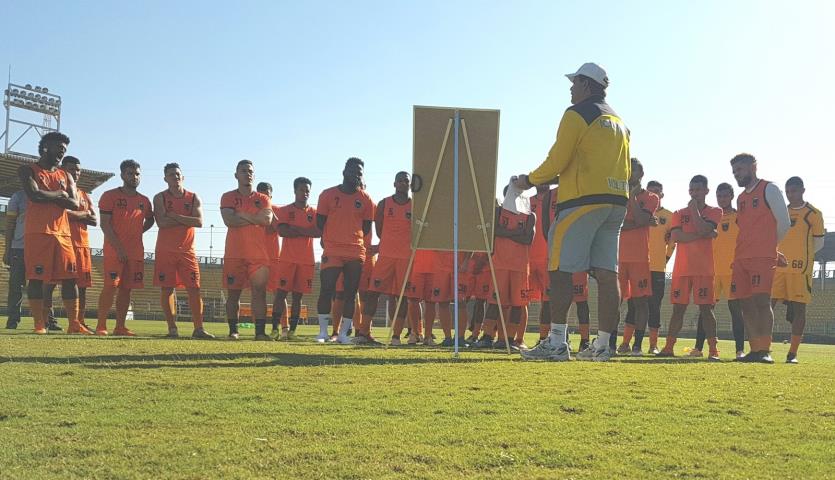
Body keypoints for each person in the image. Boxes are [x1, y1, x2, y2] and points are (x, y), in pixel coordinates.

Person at [518, 62, 630, 362]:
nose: (570, 88)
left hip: (581, 202)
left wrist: (529, 180)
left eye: (575, 82)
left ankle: (557, 342)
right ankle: (603, 345)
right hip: (616, 203)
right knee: (607, 274)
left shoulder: (576, 113)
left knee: (560, 270)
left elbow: (557, 159)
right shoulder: (618, 120)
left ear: (586, 85)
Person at [729, 153, 790, 364]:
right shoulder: (740, 198)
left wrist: (771, 247)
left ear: (753, 167)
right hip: (741, 257)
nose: (737, 174)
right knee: (745, 304)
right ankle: (754, 349)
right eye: (734, 171)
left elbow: (784, 222)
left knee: (762, 301)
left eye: (740, 169)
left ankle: (765, 349)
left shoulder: (769, 189)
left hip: (762, 257)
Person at [18, 132, 80, 334]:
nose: (62, 152)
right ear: (46, 147)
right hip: (38, 232)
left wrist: (52, 196)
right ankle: (39, 324)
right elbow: (34, 195)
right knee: (36, 278)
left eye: (64, 149)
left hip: (63, 234)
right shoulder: (28, 169)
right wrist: (60, 194)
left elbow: (75, 203)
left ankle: (74, 324)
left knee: (70, 279)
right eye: (59, 148)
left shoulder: (65, 175)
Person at [657, 175, 723, 360]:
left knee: (706, 309)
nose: (694, 193)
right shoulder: (679, 213)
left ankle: (713, 350)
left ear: (706, 191)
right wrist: (705, 234)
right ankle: (669, 347)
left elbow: (701, 229)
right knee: (678, 309)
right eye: (692, 190)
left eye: (698, 190)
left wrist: (695, 212)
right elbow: (677, 237)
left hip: (704, 269)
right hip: (682, 269)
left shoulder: (714, 211)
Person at [315, 157, 374, 344]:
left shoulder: (365, 199)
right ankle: (323, 333)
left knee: (351, 293)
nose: (356, 175)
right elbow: (320, 222)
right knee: (327, 289)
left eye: (359, 172)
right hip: (332, 249)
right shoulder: (327, 195)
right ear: (344, 172)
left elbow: (366, 227)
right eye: (353, 171)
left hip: (355, 251)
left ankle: (343, 334)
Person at [153, 163, 214, 339]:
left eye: (178, 174)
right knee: (167, 289)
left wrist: (175, 216)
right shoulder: (160, 198)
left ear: (183, 177)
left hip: (187, 251)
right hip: (165, 251)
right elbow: (161, 223)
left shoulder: (193, 197)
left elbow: (199, 222)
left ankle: (199, 329)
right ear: (165, 178)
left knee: (194, 289)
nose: (175, 177)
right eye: (171, 174)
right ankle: (172, 329)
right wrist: (187, 220)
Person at [96, 159, 154, 336]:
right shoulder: (109, 196)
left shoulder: (144, 200)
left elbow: (150, 219)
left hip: (135, 251)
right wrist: (119, 248)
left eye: (137, 174)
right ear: (122, 175)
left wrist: (138, 231)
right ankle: (101, 325)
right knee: (110, 286)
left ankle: (120, 326)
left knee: (127, 289)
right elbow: (105, 225)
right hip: (114, 250)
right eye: (130, 173)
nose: (134, 177)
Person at [770, 177, 824, 363]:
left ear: (802, 190)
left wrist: (801, 257)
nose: (790, 195)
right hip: (778, 268)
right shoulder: (780, 213)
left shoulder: (813, 214)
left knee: (799, 310)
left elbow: (818, 243)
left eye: (793, 191)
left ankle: (792, 353)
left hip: (800, 270)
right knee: (768, 306)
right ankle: (764, 348)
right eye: (787, 191)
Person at [472, 194, 535, 350]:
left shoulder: (530, 215)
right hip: (500, 264)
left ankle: (509, 339)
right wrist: (516, 232)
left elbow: (528, 239)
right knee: (495, 302)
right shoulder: (498, 212)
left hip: (520, 266)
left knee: (517, 305)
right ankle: (487, 337)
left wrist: (506, 232)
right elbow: (495, 232)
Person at [220, 160, 273, 340]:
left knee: (259, 292)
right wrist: (255, 218)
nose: (247, 174)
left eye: (250, 171)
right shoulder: (228, 197)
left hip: (258, 254)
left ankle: (260, 333)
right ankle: (233, 331)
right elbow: (229, 220)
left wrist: (241, 214)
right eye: (243, 171)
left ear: (254, 175)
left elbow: (266, 220)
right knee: (233, 294)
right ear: (236, 175)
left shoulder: (263, 198)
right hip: (234, 253)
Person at [691, 183, 745, 359]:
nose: (722, 199)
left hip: (732, 271)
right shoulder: (712, 216)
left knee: (736, 310)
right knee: (705, 309)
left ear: (732, 196)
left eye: (725, 196)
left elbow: (745, 240)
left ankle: (740, 350)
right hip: (711, 270)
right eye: (719, 196)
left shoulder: (739, 216)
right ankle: (698, 348)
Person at [360, 172, 412, 346]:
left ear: (410, 185)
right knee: (373, 293)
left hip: (405, 258)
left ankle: (396, 336)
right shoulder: (384, 204)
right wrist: (387, 244)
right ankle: (364, 333)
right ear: (394, 183)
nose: (403, 183)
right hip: (386, 257)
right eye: (400, 180)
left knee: (402, 296)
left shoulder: (415, 206)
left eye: (406, 181)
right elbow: (379, 230)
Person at [624, 180, 674, 354]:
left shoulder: (669, 216)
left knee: (654, 306)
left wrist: (665, 259)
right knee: (632, 304)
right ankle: (626, 343)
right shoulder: (639, 210)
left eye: (657, 191)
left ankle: (653, 345)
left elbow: (672, 241)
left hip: (657, 268)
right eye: (651, 191)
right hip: (638, 263)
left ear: (662, 195)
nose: (654, 194)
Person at [615, 159, 658, 355]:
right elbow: (615, 222)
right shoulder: (617, 195)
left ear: (641, 173)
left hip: (639, 258)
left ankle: (638, 345)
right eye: (627, 169)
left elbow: (641, 219)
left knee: (641, 302)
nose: (629, 173)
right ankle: (610, 343)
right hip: (617, 257)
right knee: (614, 301)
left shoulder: (651, 197)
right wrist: (638, 223)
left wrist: (632, 197)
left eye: (633, 170)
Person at [272, 177, 320, 339]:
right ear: (294, 191)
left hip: (306, 261)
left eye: (307, 191)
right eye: (301, 190)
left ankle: (292, 331)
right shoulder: (285, 210)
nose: (304, 193)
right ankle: (275, 329)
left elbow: (318, 232)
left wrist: (296, 229)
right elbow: (282, 231)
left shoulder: (314, 213)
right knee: (281, 294)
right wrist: (305, 231)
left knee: (298, 297)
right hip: (287, 259)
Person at [60, 156, 96, 334]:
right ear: (63, 170)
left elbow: (94, 219)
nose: (75, 173)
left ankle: (79, 322)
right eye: (71, 169)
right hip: (63, 242)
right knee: (52, 284)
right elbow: (63, 214)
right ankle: (44, 321)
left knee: (82, 286)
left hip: (82, 245)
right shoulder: (60, 192)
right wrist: (84, 214)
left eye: (78, 170)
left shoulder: (84, 194)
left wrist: (78, 214)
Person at [255, 182, 286, 338]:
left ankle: (284, 328)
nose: (263, 196)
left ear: (271, 195)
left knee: (279, 293)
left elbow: (279, 229)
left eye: (266, 194)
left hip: (274, 257)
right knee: (257, 292)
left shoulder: (276, 210)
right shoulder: (252, 209)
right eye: (260, 193)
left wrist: (269, 210)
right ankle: (258, 329)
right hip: (256, 257)